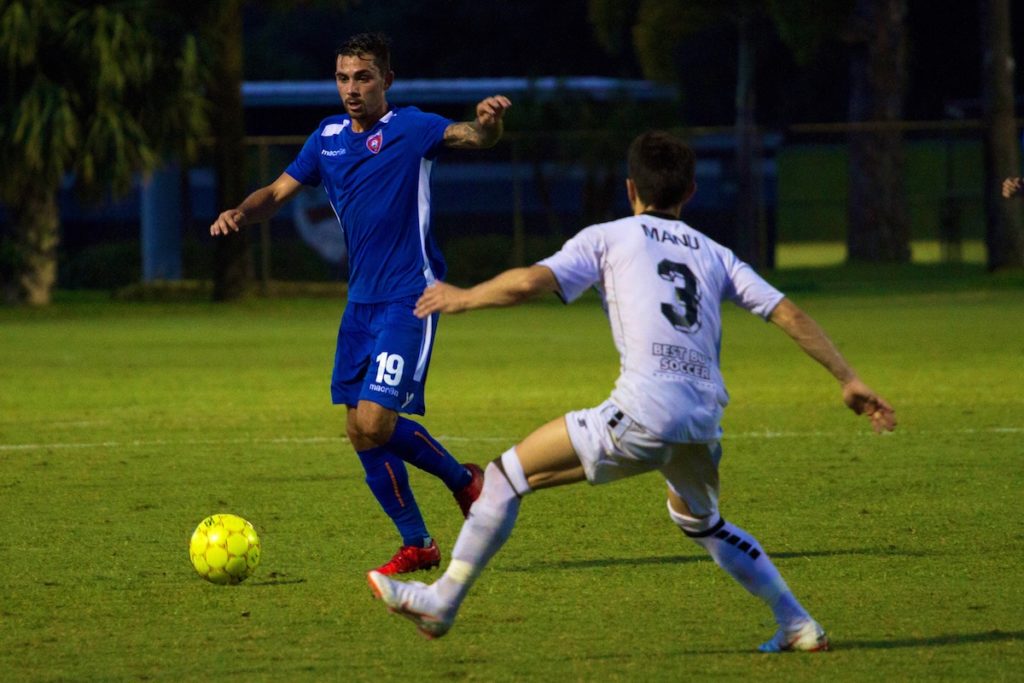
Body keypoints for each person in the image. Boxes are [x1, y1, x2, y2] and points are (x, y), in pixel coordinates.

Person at [367, 130, 897, 651]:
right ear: (689, 192)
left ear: (630, 189)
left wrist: (463, 298)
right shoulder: (716, 254)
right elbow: (787, 311)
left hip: (644, 410)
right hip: (703, 419)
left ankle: (441, 602)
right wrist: (847, 378)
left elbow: (531, 281)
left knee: (505, 477)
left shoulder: (608, 237)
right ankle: (798, 624)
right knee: (701, 521)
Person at [210, 32, 512, 575]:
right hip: (360, 306)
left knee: (375, 418)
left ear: (387, 81)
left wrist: (489, 124)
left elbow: (472, 137)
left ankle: (467, 483)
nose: (352, 88)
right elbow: (277, 194)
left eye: (364, 77)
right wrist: (239, 211)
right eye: (344, 77)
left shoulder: (412, 128)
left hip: (409, 298)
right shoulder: (325, 137)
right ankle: (418, 543)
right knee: (357, 430)